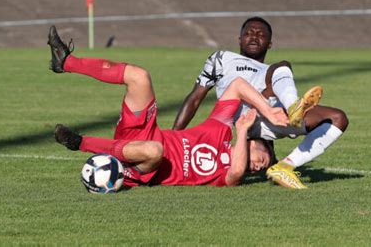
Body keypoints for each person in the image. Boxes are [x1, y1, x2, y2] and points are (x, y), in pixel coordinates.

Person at [47, 26, 290, 188]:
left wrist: (243, 129)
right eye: (264, 158)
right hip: (143, 135)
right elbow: (237, 85)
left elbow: (236, 174)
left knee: (154, 150)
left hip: (147, 165)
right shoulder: (220, 130)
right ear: (259, 143)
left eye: (261, 168)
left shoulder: (224, 173)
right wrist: (268, 112)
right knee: (139, 76)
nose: (259, 166)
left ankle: (80, 143)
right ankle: (67, 61)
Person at [173, 17, 349, 189]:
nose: (254, 37)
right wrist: (174, 138)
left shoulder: (273, 73)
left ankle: (285, 166)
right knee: (282, 66)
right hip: (242, 114)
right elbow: (195, 98)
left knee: (338, 118)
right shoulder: (222, 59)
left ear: (270, 43)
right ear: (240, 39)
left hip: (271, 119)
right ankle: (293, 106)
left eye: (260, 34)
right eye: (249, 33)